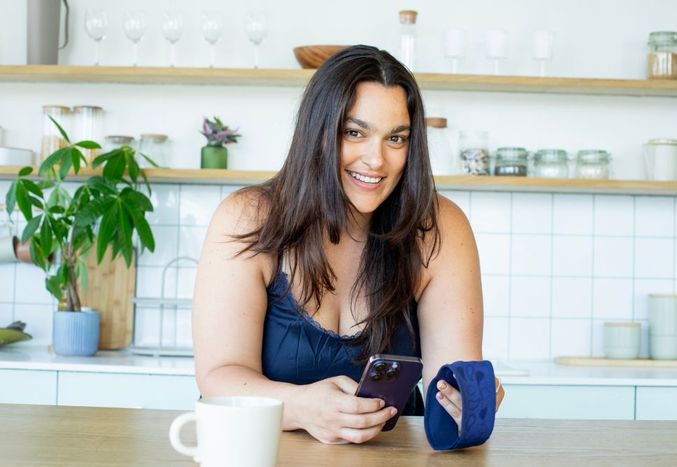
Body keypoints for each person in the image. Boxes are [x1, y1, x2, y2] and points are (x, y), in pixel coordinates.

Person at [193, 44, 504, 445]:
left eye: (396, 138)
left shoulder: (439, 226)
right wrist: (303, 406)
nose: (376, 160)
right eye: (354, 133)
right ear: (318, 133)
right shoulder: (248, 217)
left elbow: (451, 379)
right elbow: (219, 375)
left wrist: (468, 401)